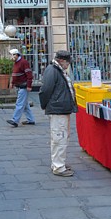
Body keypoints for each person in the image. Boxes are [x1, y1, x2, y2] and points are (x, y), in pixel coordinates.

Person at [39, 49, 78, 177]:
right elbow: (45, 90)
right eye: (68, 62)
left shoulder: (57, 70)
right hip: (58, 109)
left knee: (60, 137)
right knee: (59, 137)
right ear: (62, 61)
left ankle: (58, 163)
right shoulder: (53, 71)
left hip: (60, 108)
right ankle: (58, 166)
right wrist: (45, 105)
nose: (68, 65)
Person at [6, 48, 35, 127]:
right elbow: (14, 74)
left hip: (24, 86)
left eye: (13, 55)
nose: (11, 57)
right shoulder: (16, 62)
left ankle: (15, 120)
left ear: (16, 55)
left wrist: (29, 85)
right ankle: (31, 120)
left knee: (19, 103)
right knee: (24, 104)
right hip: (20, 85)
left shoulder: (23, 62)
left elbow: (29, 75)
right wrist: (12, 83)